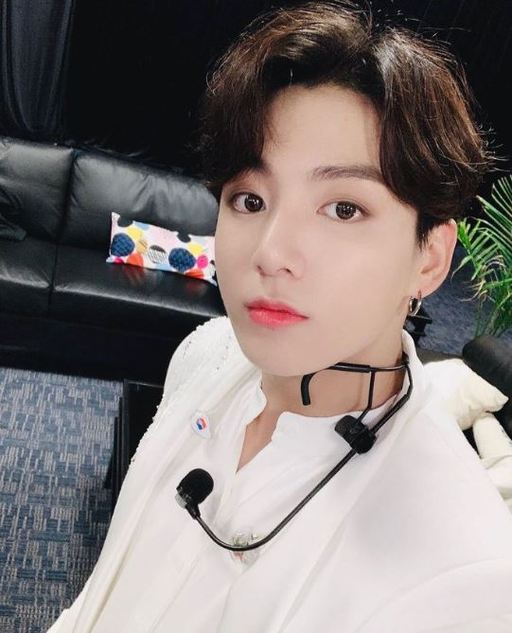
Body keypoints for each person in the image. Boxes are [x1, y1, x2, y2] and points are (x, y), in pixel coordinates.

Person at [47, 2, 512, 632]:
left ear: (429, 257)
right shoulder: (207, 353)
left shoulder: (466, 573)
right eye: (249, 199)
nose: (270, 252)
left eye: (343, 209)